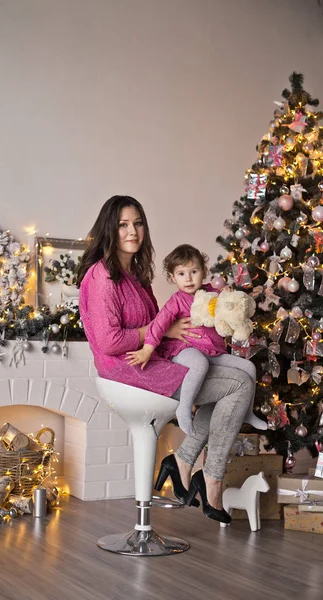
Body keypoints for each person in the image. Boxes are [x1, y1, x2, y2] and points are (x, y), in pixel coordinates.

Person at [77, 195, 257, 524]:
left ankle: (185, 461)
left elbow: (161, 325)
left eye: (138, 223)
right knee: (238, 386)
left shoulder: (134, 275)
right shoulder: (103, 275)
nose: (132, 231)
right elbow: (109, 340)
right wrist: (156, 331)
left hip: (152, 361)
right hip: (130, 370)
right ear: (109, 229)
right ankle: (207, 475)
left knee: (239, 377)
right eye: (123, 225)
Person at [125, 243, 267, 436]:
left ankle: (247, 413)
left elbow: (229, 310)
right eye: (181, 274)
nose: (189, 278)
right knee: (199, 364)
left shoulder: (213, 295)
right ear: (173, 277)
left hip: (212, 351)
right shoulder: (176, 301)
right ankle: (184, 408)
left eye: (194, 271)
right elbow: (158, 324)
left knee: (248, 368)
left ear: (203, 272)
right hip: (183, 349)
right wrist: (147, 349)